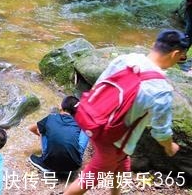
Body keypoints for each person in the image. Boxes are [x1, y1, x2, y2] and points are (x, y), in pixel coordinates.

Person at [64, 29, 188, 195]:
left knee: (122, 163)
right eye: (182, 57)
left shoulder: (126, 59)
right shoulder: (161, 89)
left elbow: (99, 86)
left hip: (93, 120)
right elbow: (161, 132)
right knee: (90, 179)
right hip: (113, 139)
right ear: (175, 54)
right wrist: (170, 146)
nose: (181, 59)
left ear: (153, 45)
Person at [27, 96, 89, 175]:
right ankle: (72, 159)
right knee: (85, 128)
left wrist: (46, 136)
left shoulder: (51, 117)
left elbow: (31, 128)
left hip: (49, 163)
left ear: (61, 107)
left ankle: (45, 162)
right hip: (73, 166)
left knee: (43, 128)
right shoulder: (79, 122)